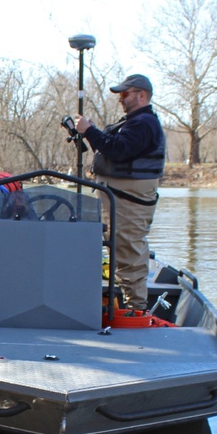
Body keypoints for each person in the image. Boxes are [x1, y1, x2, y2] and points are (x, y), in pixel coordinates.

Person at [75, 74, 165, 310]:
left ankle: (136, 310)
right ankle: (128, 306)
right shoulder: (133, 123)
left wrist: (89, 131)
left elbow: (118, 150)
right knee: (122, 249)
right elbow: (110, 149)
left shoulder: (144, 123)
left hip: (129, 204)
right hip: (119, 201)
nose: (121, 100)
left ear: (141, 95)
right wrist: (92, 132)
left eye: (125, 94)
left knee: (128, 252)